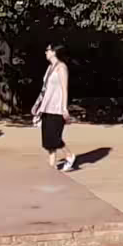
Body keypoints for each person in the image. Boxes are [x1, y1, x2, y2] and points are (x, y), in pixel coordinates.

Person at [33, 43, 75, 171]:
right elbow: (44, 89)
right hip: (46, 106)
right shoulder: (50, 67)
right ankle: (52, 165)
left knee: (54, 137)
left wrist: (64, 108)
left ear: (54, 52)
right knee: (47, 138)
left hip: (57, 107)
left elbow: (64, 89)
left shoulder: (62, 67)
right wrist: (37, 104)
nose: (45, 52)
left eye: (48, 50)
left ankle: (69, 155)